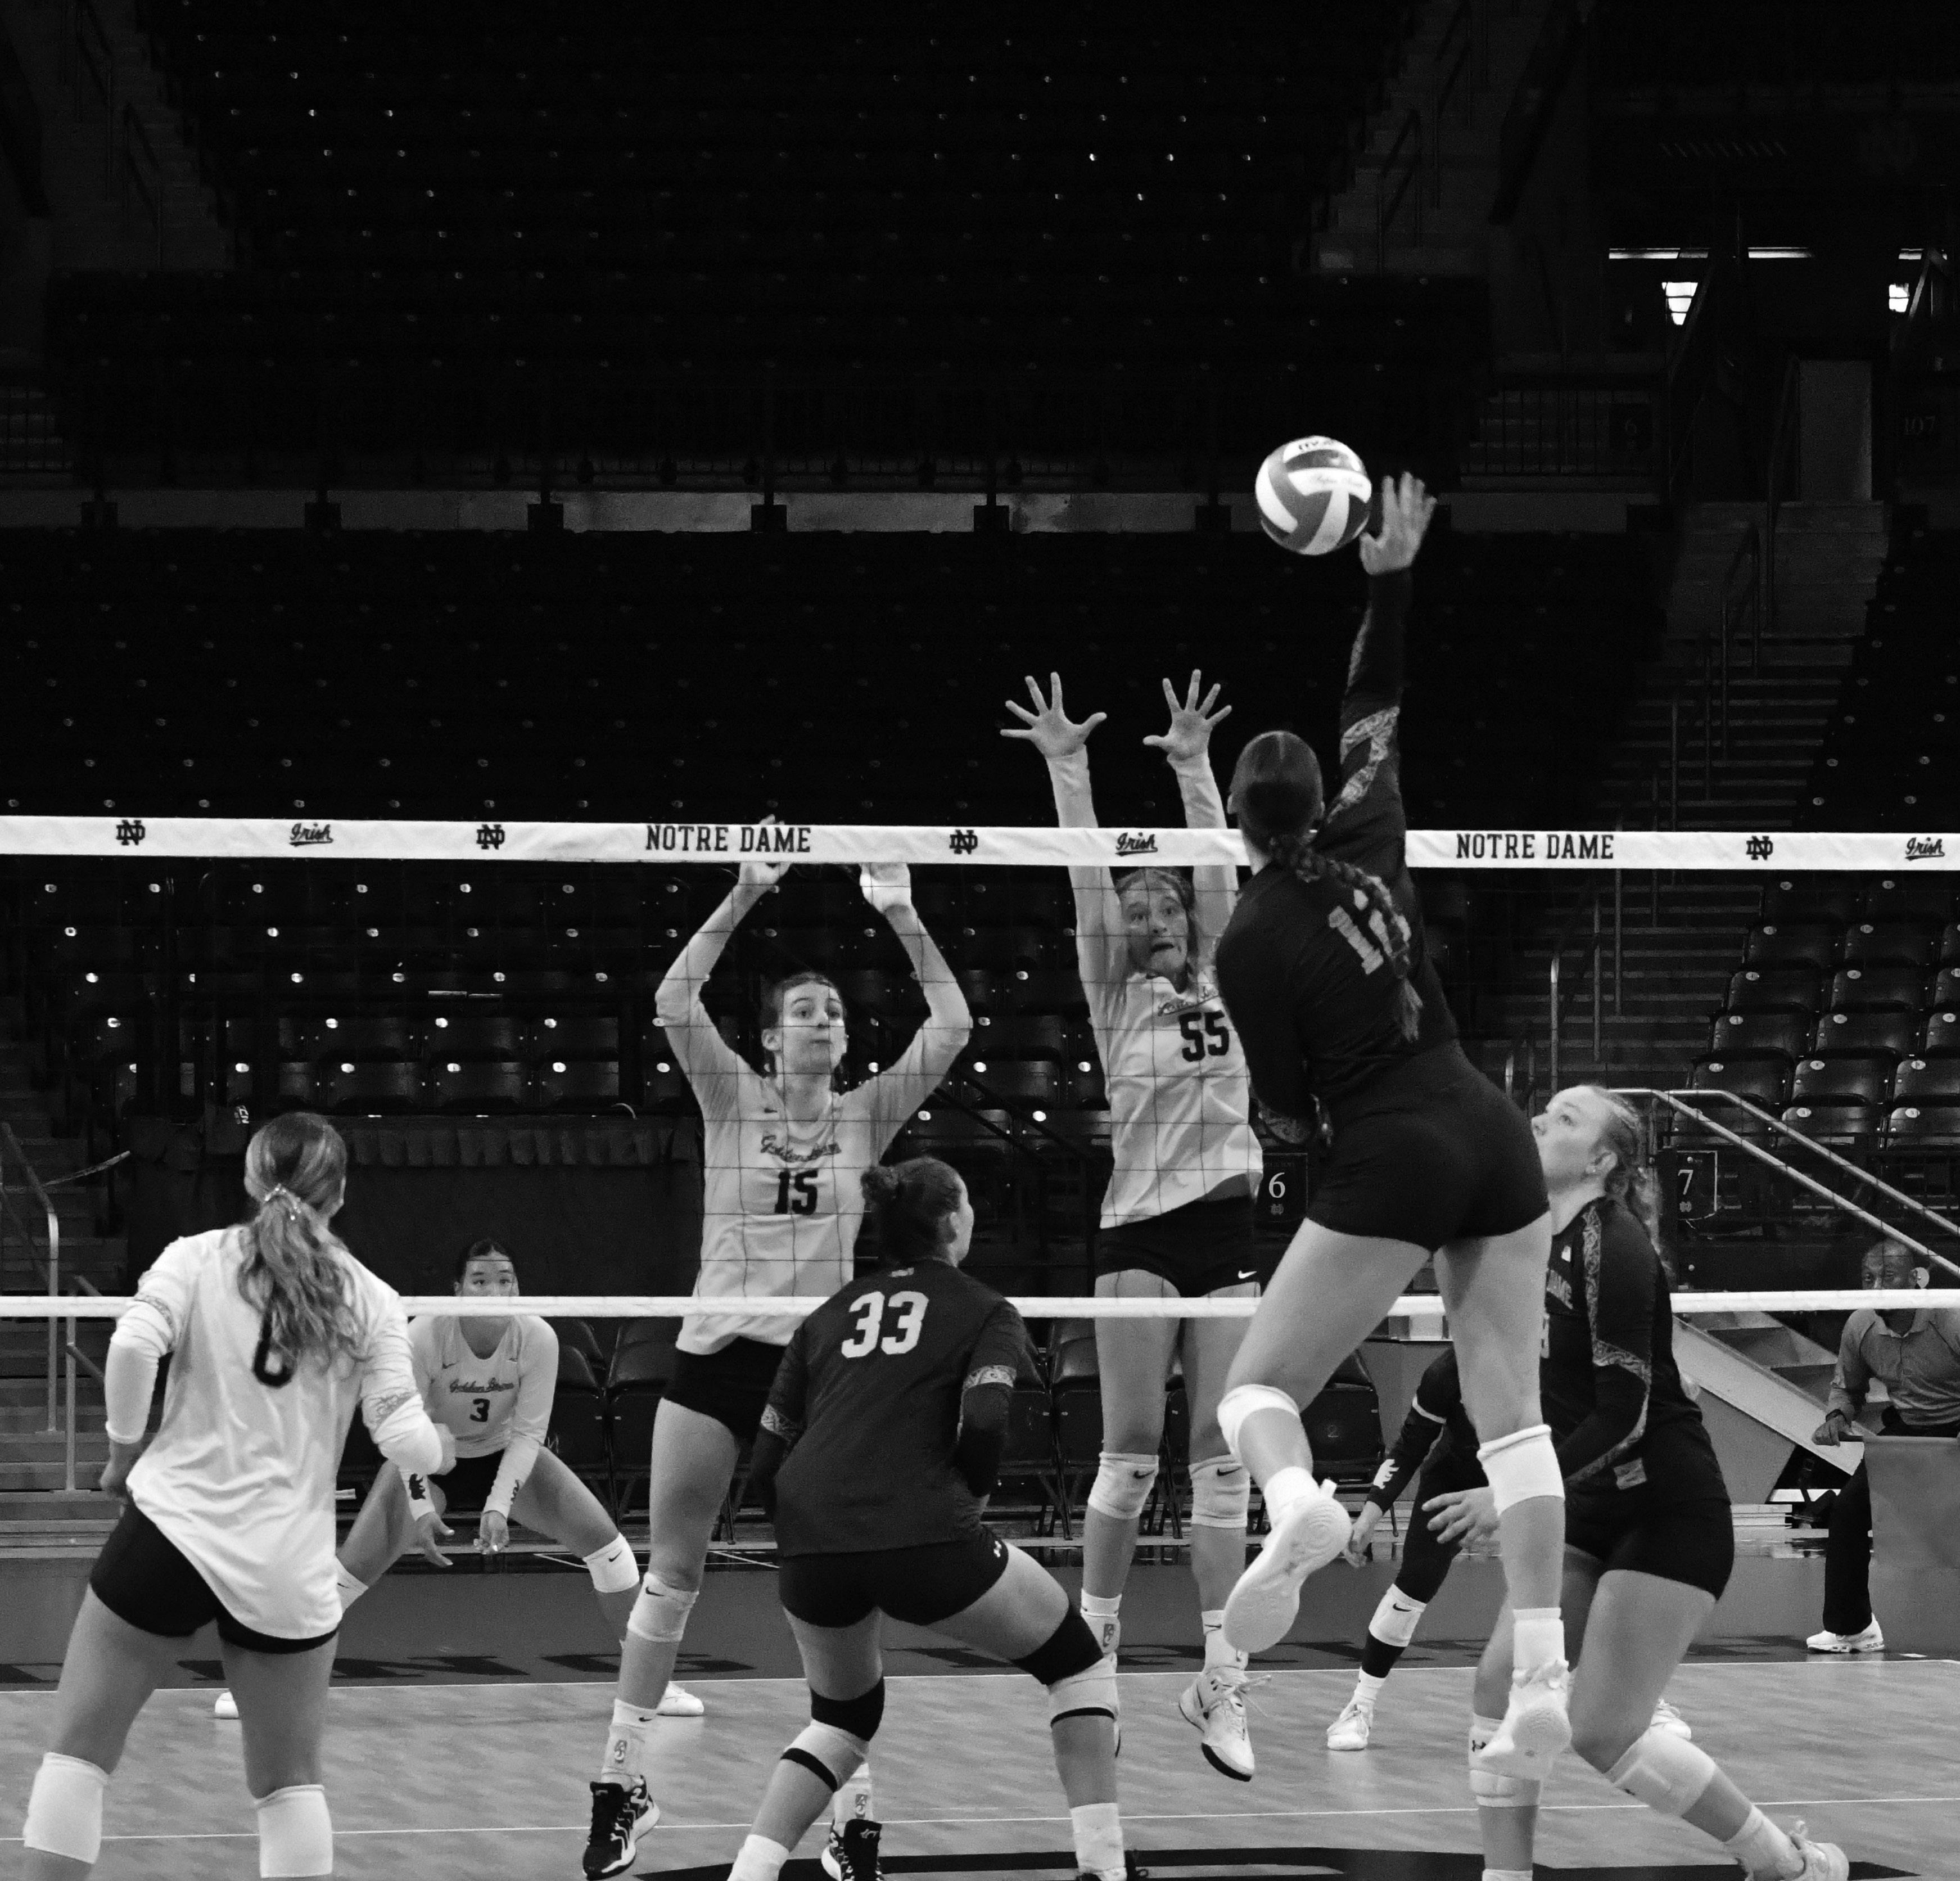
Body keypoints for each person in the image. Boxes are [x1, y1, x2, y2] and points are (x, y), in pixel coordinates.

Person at [1205, 472, 1568, 1779]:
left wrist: (1320, 1175)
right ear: (1319, 800)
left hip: (1394, 1142)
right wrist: (1392, 574)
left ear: (1235, 817)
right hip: (1490, 1121)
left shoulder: (1248, 938)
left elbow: (1282, 1108)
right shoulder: (1369, 822)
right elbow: (1376, 695)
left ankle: (1297, 1501)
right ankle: (1542, 1667)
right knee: (1513, 1417)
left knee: (1257, 1387)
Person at [581, 855, 970, 1880]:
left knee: (834, 1590)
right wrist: (745, 890)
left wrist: (901, 911)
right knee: (672, 1576)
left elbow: (954, 1025)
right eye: (804, 1011)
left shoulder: (867, 1114)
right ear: (769, 1036)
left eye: (834, 1012)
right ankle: (621, 1788)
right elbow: (673, 999)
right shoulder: (730, 1095)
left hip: (817, 1374)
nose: (823, 1022)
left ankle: (854, 1814)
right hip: (714, 1360)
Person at [1428, 1085, 1847, 1881]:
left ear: (1600, 1160)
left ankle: (1783, 1863)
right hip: (1586, 1503)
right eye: (1543, 1110)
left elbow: (1623, 1415)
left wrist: (1510, 1493)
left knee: (1602, 1731)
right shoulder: (1527, 1238)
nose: (1539, 1120)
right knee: (1498, 1681)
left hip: (1666, 1509)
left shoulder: (1611, 1245)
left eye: (1565, 1118)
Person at [19, 1113, 452, 1881]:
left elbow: (131, 1345)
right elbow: (405, 1440)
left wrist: (123, 1450)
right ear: (340, 1194)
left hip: (169, 1534)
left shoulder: (195, 1258)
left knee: (78, 1757)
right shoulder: (374, 1297)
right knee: (288, 1788)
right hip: (286, 1566)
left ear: (251, 1180)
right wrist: (438, 1448)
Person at [1000, 669, 1265, 1779]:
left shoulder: (1234, 975)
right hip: (1141, 1232)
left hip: (1230, 1227)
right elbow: (1084, 885)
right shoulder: (1116, 997)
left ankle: (1223, 1681)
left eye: (1166, 907)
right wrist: (1070, 769)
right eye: (1137, 909)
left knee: (1222, 1462)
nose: (1151, 918)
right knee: (1127, 1455)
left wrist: (1195, 764)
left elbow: (1217, 866)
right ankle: (1093, 1652)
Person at [730, 1158, 1127, 1881]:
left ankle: (749, 1875)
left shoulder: (827, 1314)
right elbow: (986, 1417)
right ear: (950, 1220)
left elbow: (766, 1457)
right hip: (927, 1536)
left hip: (811, 1546)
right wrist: (971, 1496)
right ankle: (1105, 1870)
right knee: (1078, 1669)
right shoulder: (986, 1308)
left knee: (841, 1721)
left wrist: (809, 1537)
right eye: (969, 1201)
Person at [211, 1237, 697, 1721]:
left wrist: (499, 1504)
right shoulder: (424, 1334)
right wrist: (421, 1508)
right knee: (349, 1570)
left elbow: (529, 1435)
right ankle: (265, 1685)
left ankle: (651, 1685)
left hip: (504, 1453)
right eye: (480, 1280)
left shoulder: (538, 1338)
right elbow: (405, 1432)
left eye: (505, 1280)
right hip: (431, 1456)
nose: (494, 1290)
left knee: (609, 1548)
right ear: (458, 1288)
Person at [1806, 1237, 1960, 1654]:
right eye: (1868, 1278)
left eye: (1888, 1277)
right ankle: (1853, 1627)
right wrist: (1837, 1417)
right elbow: (1848, 1388)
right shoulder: (1860, 1326)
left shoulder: (1951, 1318)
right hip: (1910, 1429)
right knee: (1848, 1511)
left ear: (1915, 1280)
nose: (1876, 1287)